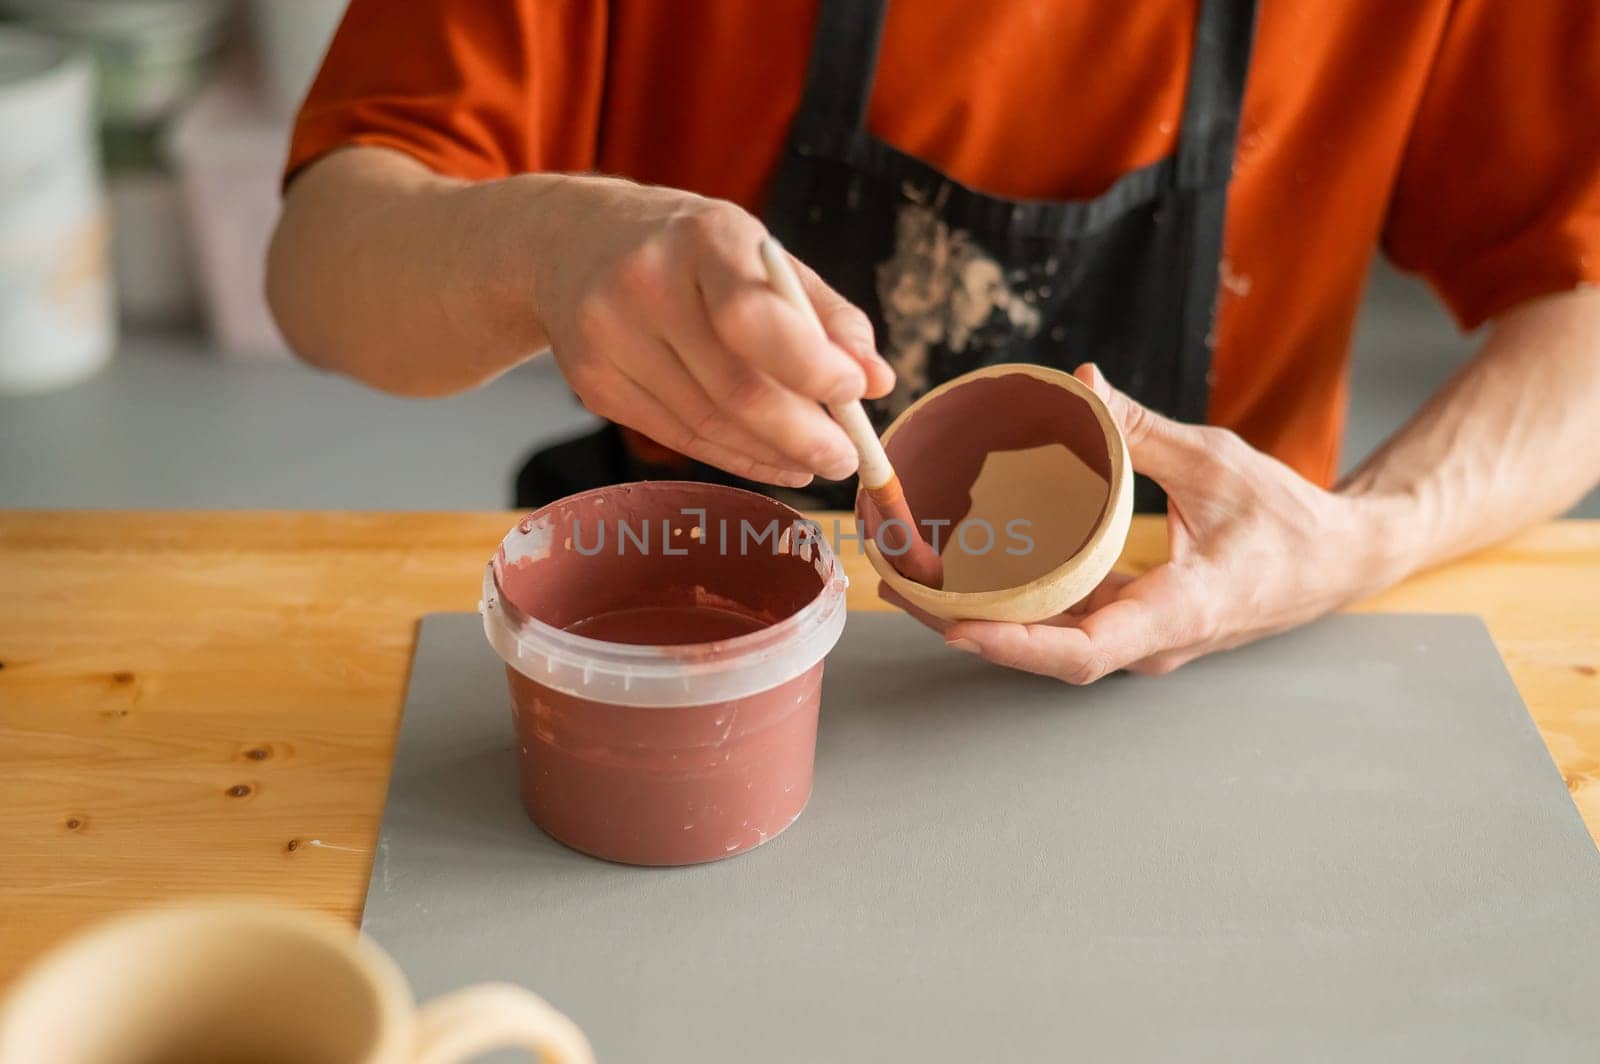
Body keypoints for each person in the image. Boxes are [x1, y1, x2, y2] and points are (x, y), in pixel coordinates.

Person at [268, 1, 1600, 684]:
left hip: (1226, 622)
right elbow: (321, 263)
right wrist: (546, 256)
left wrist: (1363, 534)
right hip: (699, 621)